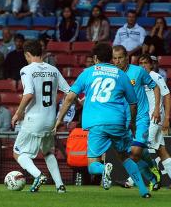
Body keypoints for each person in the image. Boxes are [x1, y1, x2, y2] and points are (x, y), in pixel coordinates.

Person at [54, 43, 151, 198]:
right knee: (125, 157)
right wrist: (131, 123)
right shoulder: (121, 74)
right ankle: (144, 191)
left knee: (92, 165)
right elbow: (133, 104)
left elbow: (70, 97)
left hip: (96, 123)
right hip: (118, 122)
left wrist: (59, 119)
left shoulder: (88, 73)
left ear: (95, 58)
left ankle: (104, 169)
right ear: (111, 58)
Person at [12, 40, 70, 193]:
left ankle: (38, 176)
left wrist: (18, 113)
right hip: (50, 120)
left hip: (34, 119)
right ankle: (60, 186)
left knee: (18, 153)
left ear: (28, 54)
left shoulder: (26, 70)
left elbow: (29, 94)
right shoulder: (53, 70)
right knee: (47, 152)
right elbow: (69, 92)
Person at [112, 45, 162, 191]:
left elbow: (155, 87)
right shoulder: (113, 75)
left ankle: (151, 170)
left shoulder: (138, 71)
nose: (117, 61)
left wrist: (157, 109)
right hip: (123, 120)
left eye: (120, 58)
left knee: (134, 153)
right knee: (132, 153)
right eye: (114, 58)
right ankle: (153, 175)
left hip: (140, 118)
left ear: (127, 57)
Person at [138, 54, 171, 189]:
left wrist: (166, 118)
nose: (143, 66)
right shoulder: (140, 78)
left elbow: (167, 96)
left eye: (145, 63)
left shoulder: (155, 77)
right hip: (146, 117)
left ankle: (131, 180)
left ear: (151, 65)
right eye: (140, 63)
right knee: (160, 149)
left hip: (156, 117)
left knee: (141, 146)